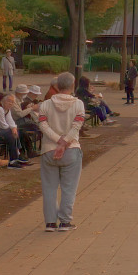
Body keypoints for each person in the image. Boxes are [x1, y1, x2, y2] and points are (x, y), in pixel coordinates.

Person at [38, 72, 86, 230]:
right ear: (72, 85)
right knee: (69, 188)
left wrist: (57, 140)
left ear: (57, 86)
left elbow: (43, 125)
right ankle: (65, 221)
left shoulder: (45, 105)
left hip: (48, 150)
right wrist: (64, 142)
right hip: (71, 150)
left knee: (49, 188)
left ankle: (50, 222)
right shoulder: (78, 104)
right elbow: (77, 126)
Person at [0, 92, 31, 168]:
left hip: (0, 130)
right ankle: (13, 160)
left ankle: (18, 155)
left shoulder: (7, 110)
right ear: (3, 101)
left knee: (18, 131)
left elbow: (11, 122)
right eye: (8, 101)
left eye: (12, 102)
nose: (10, 103)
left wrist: (14, 128)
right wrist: (12, 130)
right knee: (11, 133)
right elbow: (3, 125)